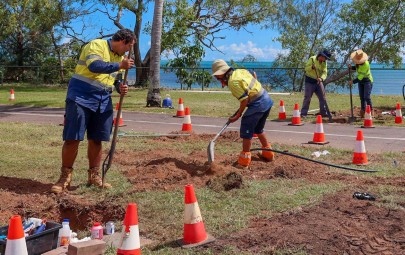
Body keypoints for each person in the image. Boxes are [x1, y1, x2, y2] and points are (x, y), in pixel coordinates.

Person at [51, 29, 136, 194]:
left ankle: (94, 176)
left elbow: (115, 79)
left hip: (103, 101)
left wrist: (120, 87)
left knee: (97, 139)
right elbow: (94, 66)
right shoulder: (96, 45)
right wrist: (120, 65)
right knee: (72, 138)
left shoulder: (119, 58)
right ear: (123, 41)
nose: (127, 52)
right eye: (128, 47)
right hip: (80, 98)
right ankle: (65, 177)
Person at [211, 59, 274, 168]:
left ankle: (244, 162)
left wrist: (237, 115)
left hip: (257, 104)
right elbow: (253, 76)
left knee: (246, 131)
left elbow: (244, 100)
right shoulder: (239, 71)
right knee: (259, 129)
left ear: (222, 74)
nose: (219, 80)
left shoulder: (232, 82)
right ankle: (268, 154)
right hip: (266, 100)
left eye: (218, 78)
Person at [300, 49, 332, 118]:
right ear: (321, 55)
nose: (325, 59)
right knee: (307, 98)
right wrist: (311, 67)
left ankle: (323, 112)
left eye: (326, 58)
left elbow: (325, 72)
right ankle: (303, 113)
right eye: (325, 57)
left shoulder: (324, 62)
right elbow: (306, 69)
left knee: (323, 98)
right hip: (309, 81)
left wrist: (321, 78)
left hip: (318, 81)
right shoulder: (312, 59)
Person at [349, 49, 373, 118]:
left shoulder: (366, 65)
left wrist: (352, 82)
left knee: (366, 97)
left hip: (367, 81)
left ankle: (370, 111)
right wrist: (351, 67)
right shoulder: (358, 63)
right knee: (362, 97)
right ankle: (363, 111)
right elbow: (357, 68)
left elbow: (360, 77)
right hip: (361, 81)